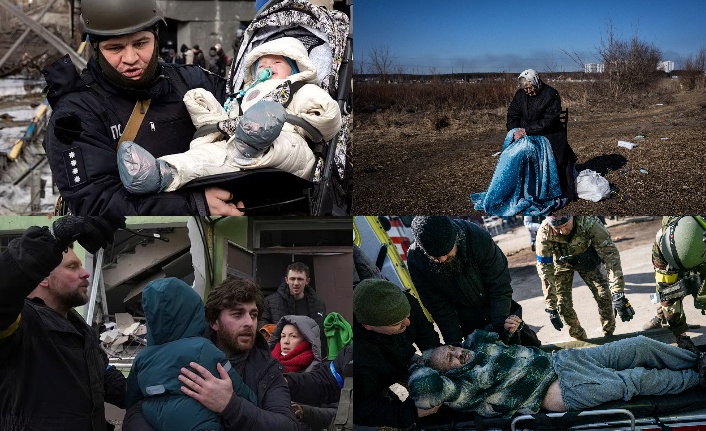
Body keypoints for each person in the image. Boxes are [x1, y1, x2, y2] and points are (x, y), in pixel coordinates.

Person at [42, 0, 244, 216]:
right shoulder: (76, 114)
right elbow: (95, 201)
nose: (130, 59)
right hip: (134, 244)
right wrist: (194, 204)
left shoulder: (194, 81)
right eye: (115, 48)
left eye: (140, 44)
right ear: (95, 48)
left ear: (156, 38)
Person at [117, 37, 342, 194]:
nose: (268, 66)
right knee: (205, 156)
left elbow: (327, 117)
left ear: (294, 69)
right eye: (262, 64)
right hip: (234, 143)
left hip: (285, 142)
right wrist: (207, 112)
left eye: (277, 62)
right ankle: (159, 173)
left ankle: (253, 143)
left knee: (285, 144)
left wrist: (319, 109)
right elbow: (228, 118)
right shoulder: (246, 94)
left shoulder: (299, 88)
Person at [408, 321, 706, 419]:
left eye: (451, 349)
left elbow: (505, 332)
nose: (458, 353)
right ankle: (696, 378)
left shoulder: (478, 342)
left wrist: (514, 324)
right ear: (447, 374)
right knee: (634, 379)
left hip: (562, 362)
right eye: (451, 360)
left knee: (640, 344)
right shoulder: (462, 389)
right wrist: (417, 363)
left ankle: (692, 360)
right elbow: (424, 390)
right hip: (558, 392)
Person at [123, 276, 301, 431]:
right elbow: (137, 408)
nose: (249, 322)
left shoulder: (267, 370)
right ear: (214, 322)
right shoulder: (183, 355)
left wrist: (230, 405)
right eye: (237, 314)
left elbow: (287, 425)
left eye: (253, 315)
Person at [0, 215, 126, 431]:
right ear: (43, 278)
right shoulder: (20, 324)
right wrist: (51, 239)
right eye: (72, 267)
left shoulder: (82, 330)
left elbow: (103, 377)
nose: (85, 272)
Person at [407, 216, 535, 346]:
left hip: (497, 307)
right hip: (466, 318)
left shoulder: (476, 238)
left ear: (456, 239)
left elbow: (500, 287)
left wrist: (498, 331)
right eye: (435, 257)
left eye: (447, 253)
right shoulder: (416, 259)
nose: (442, 260)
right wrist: (454, 343)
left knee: (522, 344)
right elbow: (438, 306)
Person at [353, 278, 442, 429]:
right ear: (368, 326)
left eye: (407, 315)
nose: (407, 323)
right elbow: (361, 409)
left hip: (401, 357)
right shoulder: (355, 357)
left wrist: (439, 363)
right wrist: (411, 412)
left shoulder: (403, 302)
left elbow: (428, 338)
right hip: (365, 380)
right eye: (397, 323)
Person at [535, 216, 634, 341]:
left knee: (605, 296)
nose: (563, 231)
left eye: (566, 226)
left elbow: (610, 256)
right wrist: (550, 306)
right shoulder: (544, 232)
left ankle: (608, 336)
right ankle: (581, 340)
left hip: (586, 258)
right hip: (561, 263)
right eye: (558, 228)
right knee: (562, 305)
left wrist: (618, 293)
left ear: (572, 218)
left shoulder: (589, 221)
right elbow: (545, 271)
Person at [508, 69, 577, 205]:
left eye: (531, 88)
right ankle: (525, 191)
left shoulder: (551, 94)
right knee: (514, 154)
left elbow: (549, 121)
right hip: (525, 134)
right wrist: (514, 132)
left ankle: (550, 191)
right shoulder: (520, 95)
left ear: (537, 82)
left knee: (552, 155)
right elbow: (512, 115)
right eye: (526, 89)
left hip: (549, 133)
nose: (529, 91)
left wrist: (527, 130)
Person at [644, 217, 706, 345]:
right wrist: (680, 336)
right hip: (677, 260)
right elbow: (665, 292)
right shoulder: (662, 248)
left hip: (700, 255)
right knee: (669, 293)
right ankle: (663, 315)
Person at [260, 261, 328, 355]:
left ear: (307, 281)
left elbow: (321, 334)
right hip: (279, 357)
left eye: (300, 279)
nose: (296, 283)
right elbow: (262, 327)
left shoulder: (318, 303)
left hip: (309, 357)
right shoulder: (270, 302)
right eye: (292, 279)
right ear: (286, 280)